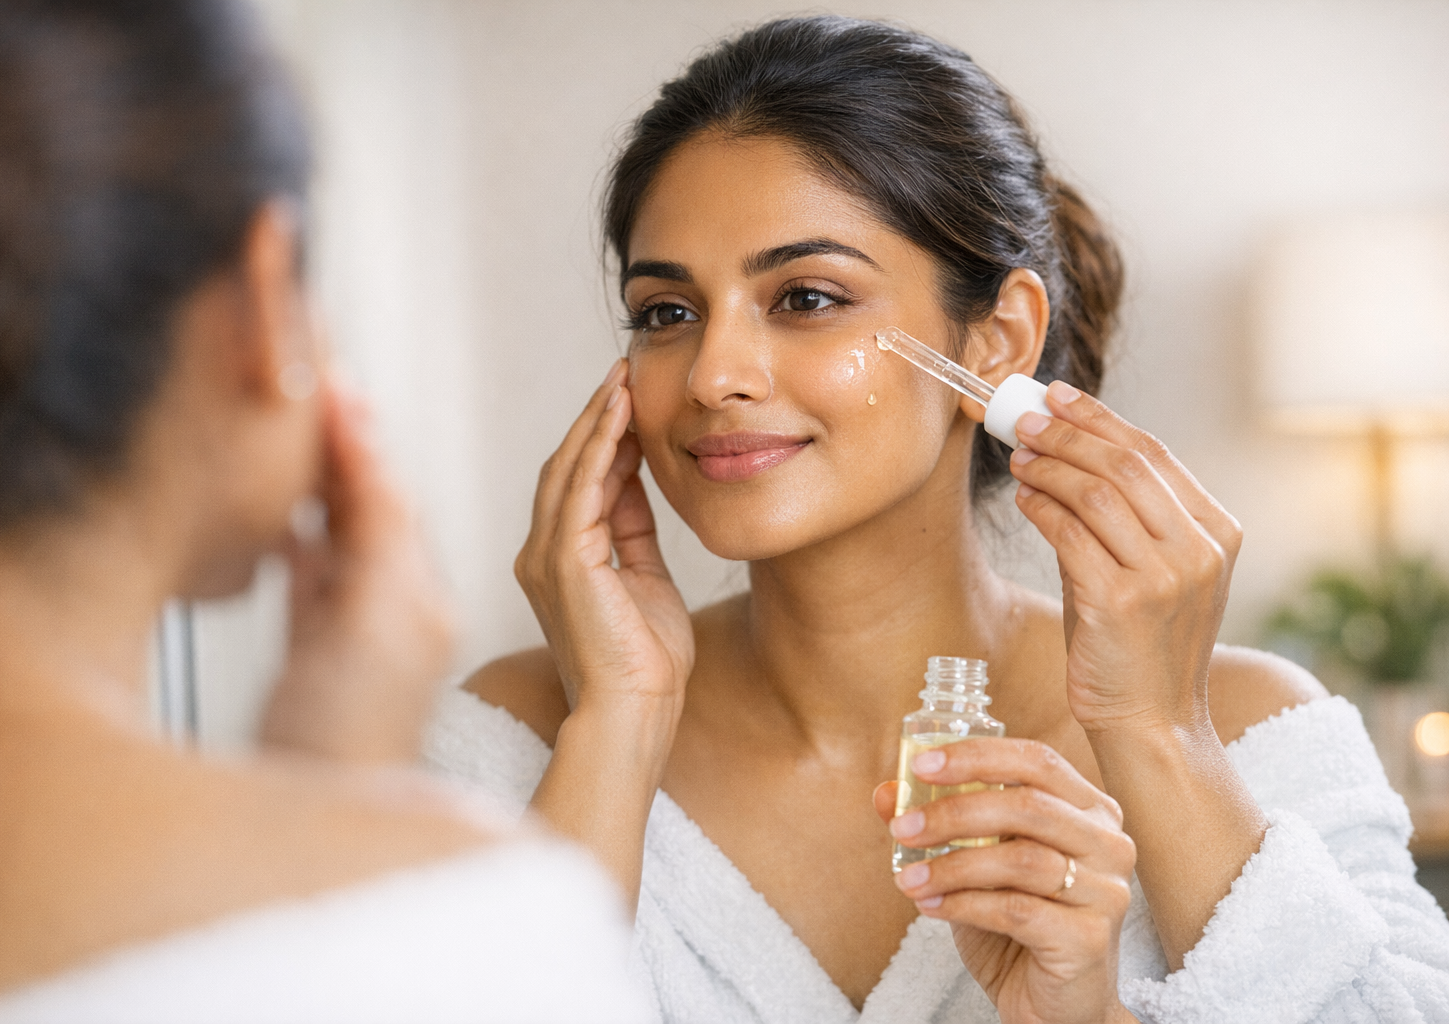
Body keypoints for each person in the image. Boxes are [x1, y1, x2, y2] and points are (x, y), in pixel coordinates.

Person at [423, 15, 1449, 1023]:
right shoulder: (522, 735)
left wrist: (1160, 739)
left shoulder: (1250, 729)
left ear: (999, 341)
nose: (714, 374)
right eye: (666, 313)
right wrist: (615, 729)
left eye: (807, 297)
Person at [0, 2, 647, 1021]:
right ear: (265, 294)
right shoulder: (465, 925)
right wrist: (360, 832)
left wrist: (331, 791)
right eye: (664, 312)